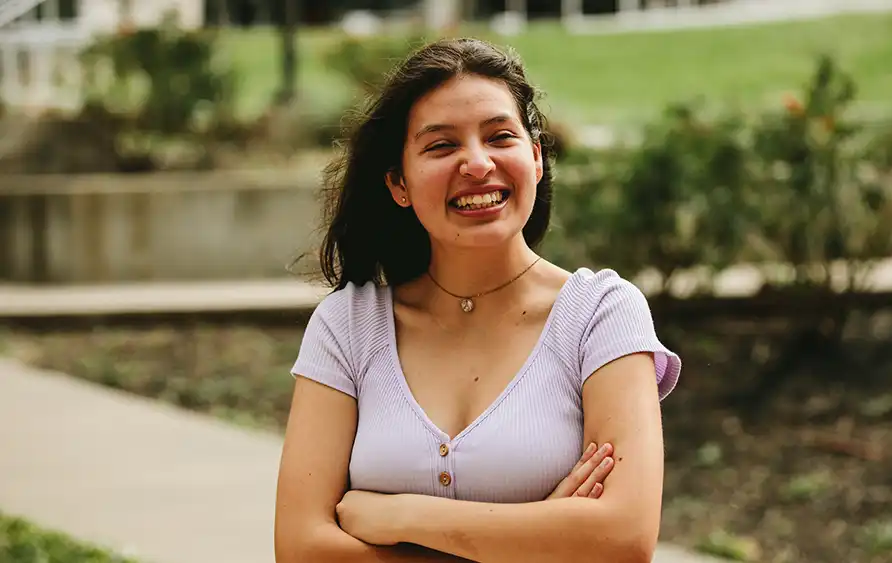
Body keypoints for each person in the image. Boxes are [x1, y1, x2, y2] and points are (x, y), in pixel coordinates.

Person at [274, 37, 681, 563]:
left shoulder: (601, 315)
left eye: (501, 136)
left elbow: (622, 539)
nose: (477, 163)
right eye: (441, 146)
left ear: (535, 159)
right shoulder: (348, 325)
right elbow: (302, 549)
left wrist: (402, 516)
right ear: (398, 182)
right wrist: (542, 537)